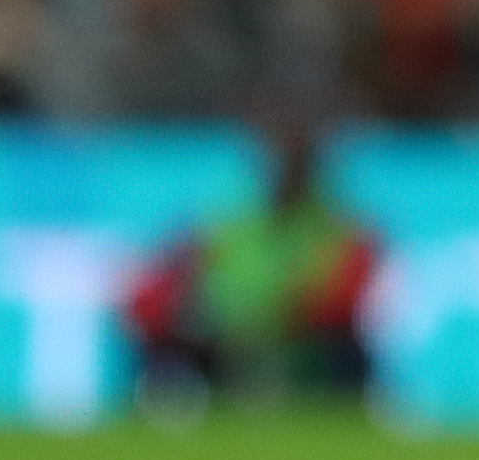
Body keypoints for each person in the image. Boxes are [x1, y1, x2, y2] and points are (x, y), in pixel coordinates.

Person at [125, 120, 378, 409]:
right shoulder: (235, 217)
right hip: (229, 331)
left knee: (346, 352)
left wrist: (284, 309)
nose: (286, 176)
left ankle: (339, 410)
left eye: (297, 168)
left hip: (301, 333)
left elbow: (339, 292)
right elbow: (192, 269)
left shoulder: (332, 225)